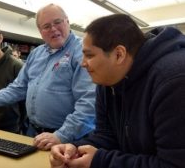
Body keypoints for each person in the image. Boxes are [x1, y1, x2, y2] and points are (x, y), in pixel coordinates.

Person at [49, 14, 185, 168]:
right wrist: (75, 149)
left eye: (89, 55)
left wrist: (101, 161)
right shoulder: (107, 82)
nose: (83, 63)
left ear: (119, 54)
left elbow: (175, 164)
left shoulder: (174, 81)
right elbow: (107, 136)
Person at [0, 3, 96, 150]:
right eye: (46, 26)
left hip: (70, 139)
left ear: (67, 21)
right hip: (35, 134)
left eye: (57, 22)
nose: (53, 29)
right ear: (40, 31)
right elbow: (18, 88)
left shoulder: (82, 51)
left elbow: (89, 102)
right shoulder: (37, 53)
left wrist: (61, 135)